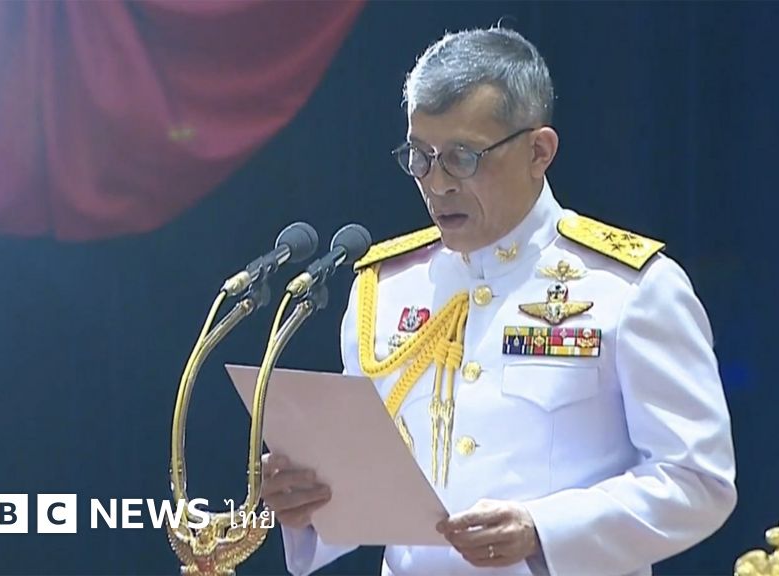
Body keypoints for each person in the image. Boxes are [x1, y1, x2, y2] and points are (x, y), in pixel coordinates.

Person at [261, 26, 737, 576]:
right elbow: (372, 481)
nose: (437, 184)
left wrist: (543, 529)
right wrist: (308, 504)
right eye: (420, 156)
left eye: (462, 158)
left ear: (539, 151)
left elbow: (697, 480)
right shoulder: (386, 289)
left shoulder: (629, 288)